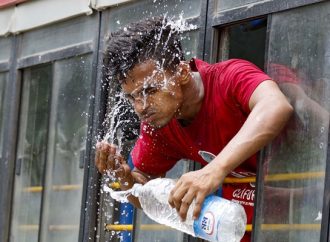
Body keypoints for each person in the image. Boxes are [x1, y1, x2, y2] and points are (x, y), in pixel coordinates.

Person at [95, 17, 293, 242]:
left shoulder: (229, 76)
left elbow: (276, 105)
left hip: (311, 192)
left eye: (150, 91)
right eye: (132, 97)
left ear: (181, 72)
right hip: (248, 217)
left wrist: (214, 170)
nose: (141, 107)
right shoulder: (158, 125)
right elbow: (144, 190)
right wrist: (124, 178)